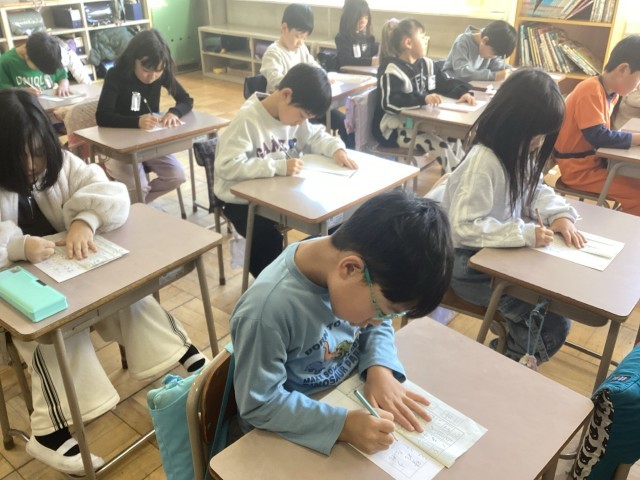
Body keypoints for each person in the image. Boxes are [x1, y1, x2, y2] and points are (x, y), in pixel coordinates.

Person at [0, 89, 206, 475]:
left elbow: (110, 191)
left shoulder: (59, 166)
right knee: (55, 334)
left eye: (38, 153)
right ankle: (48, 432)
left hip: (70, 273)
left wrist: (85, 219)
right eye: (18, 155)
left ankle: (182, 354)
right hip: (19, 294)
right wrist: (18, 246)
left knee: (128, 297)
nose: (31, 165)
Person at [230, 190, 453, 455]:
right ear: (350, 269)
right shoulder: (266, 310)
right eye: (382, 311)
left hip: (341, 396)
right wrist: (343, 426)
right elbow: (259, 404)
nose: (376, 323)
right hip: (281, 432)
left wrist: (379, 367)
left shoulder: (350, 267)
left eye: (389, 315)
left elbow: (379, 320)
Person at [438, 68, 583, 365]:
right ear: (512, 124)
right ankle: (504, 365)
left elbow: (535, 190)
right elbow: (463, 228)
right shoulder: (484, 162)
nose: (539, 142)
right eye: (536, 133)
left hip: (497, 256)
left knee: (553, 306)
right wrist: (523, 233)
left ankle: (506, 355)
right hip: (467, 265)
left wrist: (560, 215)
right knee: (549, 324)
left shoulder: (517, 152)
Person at [214, 63, 357, 279]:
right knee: (265, 241)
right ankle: (276, 282)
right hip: (240, 201)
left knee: (332, 219)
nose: (301, 122)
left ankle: (300, 271)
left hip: (277, 192)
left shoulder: (293, 114)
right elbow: (226, 166)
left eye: (306, 118)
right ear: (286, 95)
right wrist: (278, 166)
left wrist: (336, 149)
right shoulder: (248, 120)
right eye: (301, 115)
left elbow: (315, 136)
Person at [96, 29, 192, 204]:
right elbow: (102, 116)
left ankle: (137, 207)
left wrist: (174, 112)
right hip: (118, 145)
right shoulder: (116, 75)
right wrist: (136, 122)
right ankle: (137, 208)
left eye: (158, 71)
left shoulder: (161, 72)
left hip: (148, 142)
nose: (152, 77)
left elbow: (186, 100)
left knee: (176, 176)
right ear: (134, 60)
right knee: (138, 187)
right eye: (146, 70)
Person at [372, 18, 475, 172]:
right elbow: (389, 102)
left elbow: (444, 83)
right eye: (422, 37)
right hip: (394, 130)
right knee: (442, 147)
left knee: (453, 139)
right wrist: (423, 99)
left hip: (419, 124)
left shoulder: (426, 64)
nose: (427, 40)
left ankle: (463, 175)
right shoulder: (391, 69)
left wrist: (463, 92)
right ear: (408, 43)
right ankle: (458, 179)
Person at [554, 35, 640, 215]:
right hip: (579, 171)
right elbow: (598, 136)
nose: (637, 86)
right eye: (639, 79)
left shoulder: (611, 93)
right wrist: (636, 138)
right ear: (623, 69)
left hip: (593, 164)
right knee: (637, 195)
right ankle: (627, 230)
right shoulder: (590, 90)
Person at [260, 3, 354, 148]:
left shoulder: (301, 49)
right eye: (298, 36)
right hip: (291, 109)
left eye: (304, 38)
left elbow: (313, 65)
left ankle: (348, 151)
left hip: (308, 105)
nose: (301, 42)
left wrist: (323, 78)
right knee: (313, 132)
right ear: (284, 28)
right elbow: (276, 82)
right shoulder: (273, 53)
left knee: (345, 123)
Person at [442, 20, 517, 82]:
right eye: (493, 54)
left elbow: (498, 66)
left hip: (474, 84)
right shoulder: (463, 42)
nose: (493, 57)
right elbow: (462, 73)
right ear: (485, 40)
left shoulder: (491, 45)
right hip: (452, 82)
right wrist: (494, 76)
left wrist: (509, 71)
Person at [0, 31, 70, 96]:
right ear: (27, 56)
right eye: (39, 70)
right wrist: (23, 92)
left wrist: (64, 84)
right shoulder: (4, 62)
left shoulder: (50, 56)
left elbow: (62, 77)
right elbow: (3, 92)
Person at [335, 0, 378, 69]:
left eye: (366, 18)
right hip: (349, 73)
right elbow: (345, 61)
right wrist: (371, 61)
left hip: (366, 72)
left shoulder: (369, 38)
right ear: (349, 18)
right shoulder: (342, 38)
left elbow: (373, 51)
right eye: (359, 18)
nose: (363, 22)